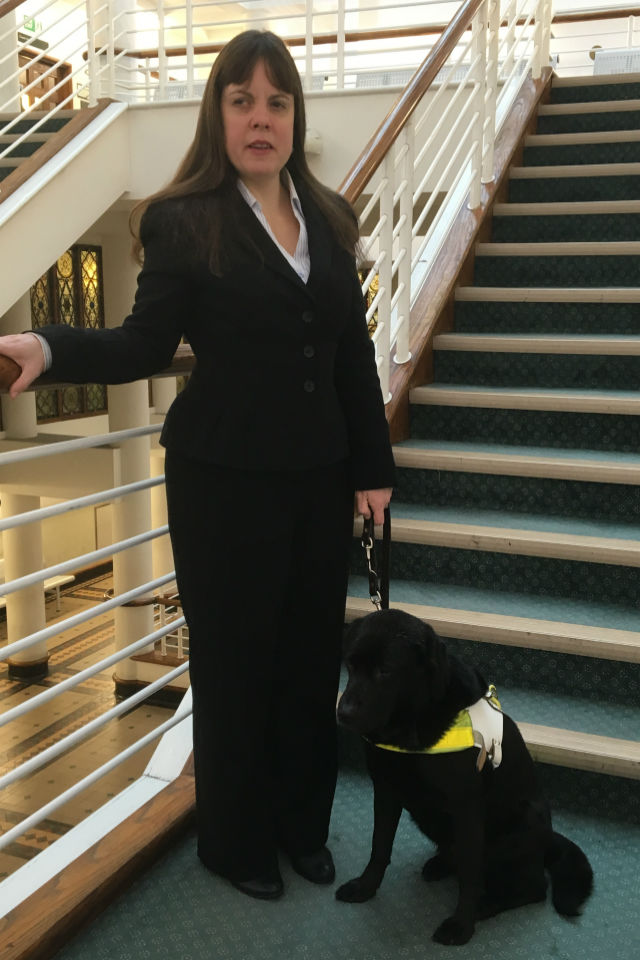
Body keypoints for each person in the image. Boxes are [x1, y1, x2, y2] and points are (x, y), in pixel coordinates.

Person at [0, 30, 394, 900]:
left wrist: (373, 468)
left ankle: (303, 826)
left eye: (277, 101)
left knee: (304, 660)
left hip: (320, 476)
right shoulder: (184, 218)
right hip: (221, 481)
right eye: (242, 99)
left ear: (296, 115)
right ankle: (237, 840)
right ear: (218, 114)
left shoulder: (329, 217)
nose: (261, 117)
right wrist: (47, 346)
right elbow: (142, 343)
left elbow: (349, 354)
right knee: (234, 663)